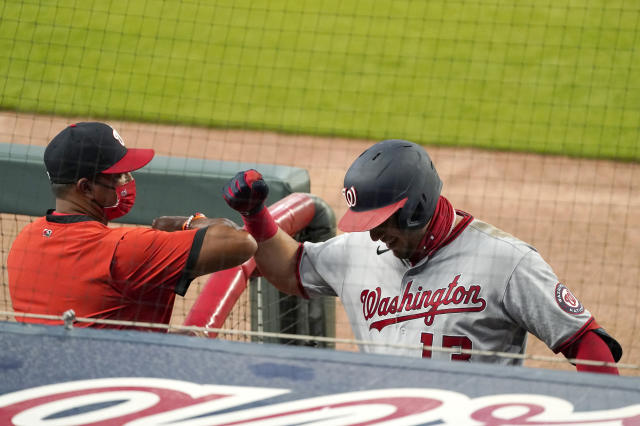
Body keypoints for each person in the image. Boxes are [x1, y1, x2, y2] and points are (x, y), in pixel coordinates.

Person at [222, 139, 622, 374]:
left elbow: (585, 341)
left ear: (417, 206)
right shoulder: (357, 251)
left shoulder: (505, 261)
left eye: (382, 221)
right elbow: (289, 270)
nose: (373, 233)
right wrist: (255, 217)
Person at [7, 122, 257, 331]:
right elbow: (240, 241)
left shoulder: (24, 241)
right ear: (86, 188)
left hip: (44, 382)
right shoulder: (125, 249)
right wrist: (185, 224)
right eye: (118, 175)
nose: (127, 180)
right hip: (117, 384)